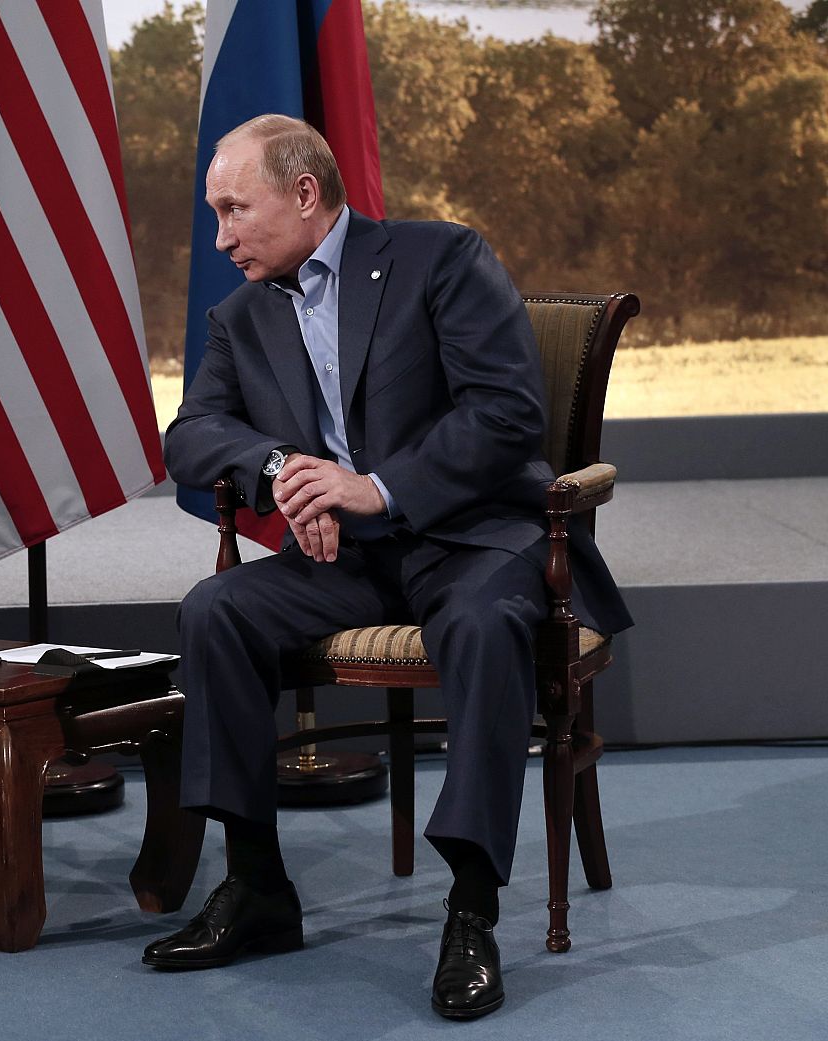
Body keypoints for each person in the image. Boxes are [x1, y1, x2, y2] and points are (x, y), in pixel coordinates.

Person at [151, 115, 631, 1020]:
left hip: (478, 538)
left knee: (483, 624)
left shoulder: (439, 258)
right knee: (216, 609)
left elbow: (506, 414)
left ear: (304, 193)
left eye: (233, 210)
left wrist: (376, 488)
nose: (220, 238)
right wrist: (284, 471)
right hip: (349, 561)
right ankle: (255, 885)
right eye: (216, 215)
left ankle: (471, 909)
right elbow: (192, 434)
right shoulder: (242, 315)